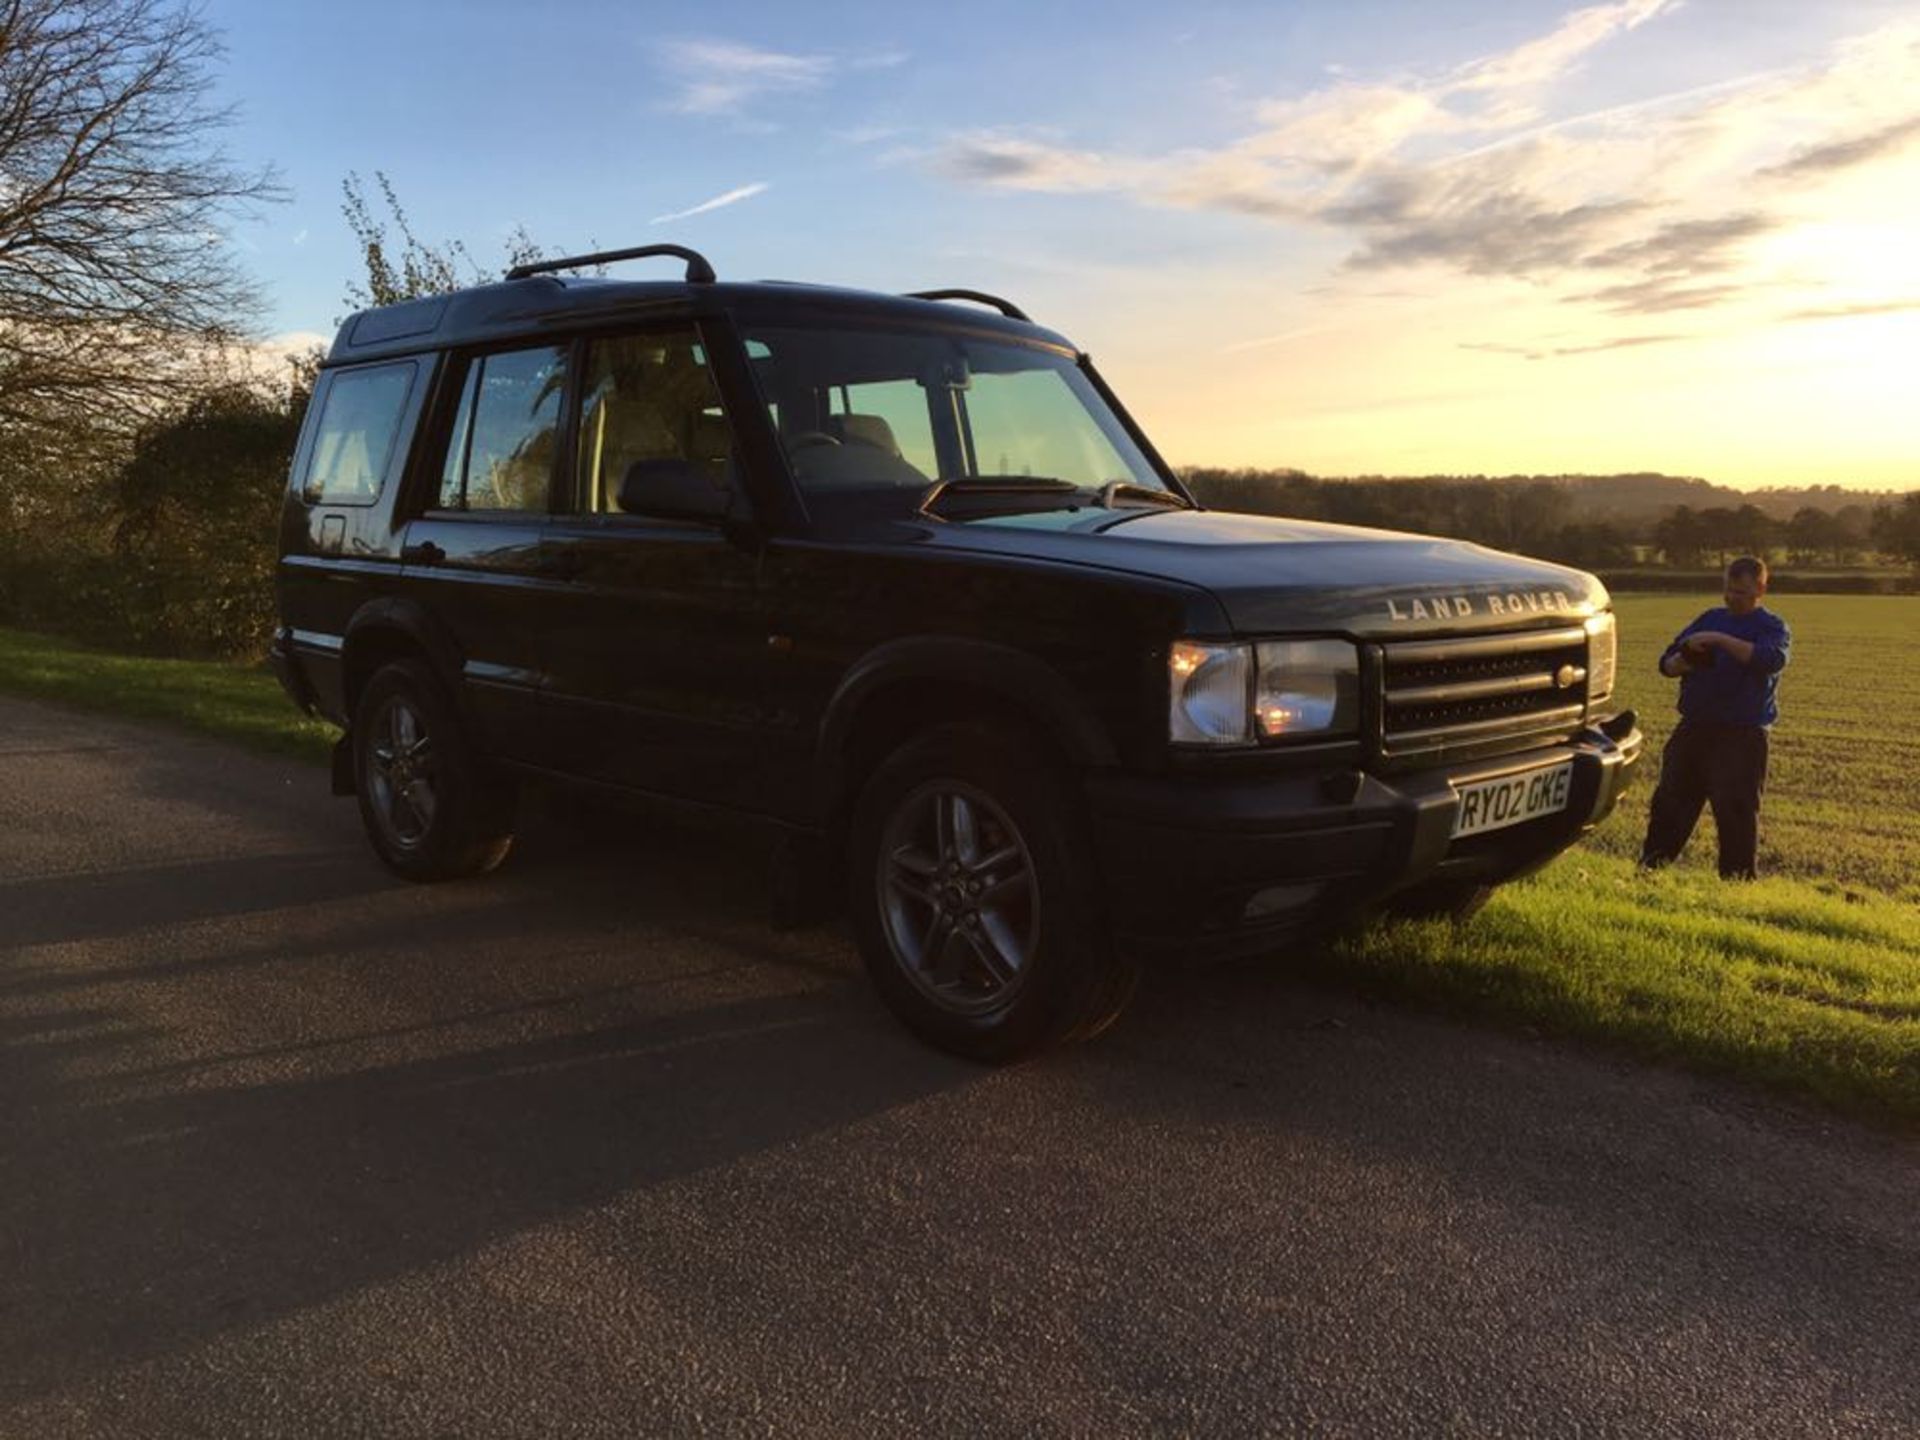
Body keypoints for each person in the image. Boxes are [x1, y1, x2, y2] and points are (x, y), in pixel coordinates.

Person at [1639, 556, 1791, 879]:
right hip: (1694, 728)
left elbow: (1770, 660)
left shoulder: (1772, 627)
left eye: (1741, 592)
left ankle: (1736, 886)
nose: (1732, 598)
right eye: (1728, 590)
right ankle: (1650, 873)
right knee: (1670, 805)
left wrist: (1720, 641)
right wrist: (1683, 660)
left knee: (1736, 813)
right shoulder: (1709, 618)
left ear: (1761, 589)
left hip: (1742, 735)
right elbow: (1666, 663)